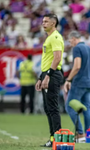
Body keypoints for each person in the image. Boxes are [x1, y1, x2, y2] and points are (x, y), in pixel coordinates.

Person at [35, 14, 64, 147]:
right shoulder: (49, 38)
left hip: (52, 75)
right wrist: (40, 77)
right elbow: (47, 60)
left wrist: (47, 76)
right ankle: (53, 137)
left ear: (53, 23)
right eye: (43, 21)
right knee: (48, 108)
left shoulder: (56, 37)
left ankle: (57, 139)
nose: (43, 23)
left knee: (53, 108)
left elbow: (57, 58)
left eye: (46, 21)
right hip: (46, 74)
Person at [64, 30, 90, 142]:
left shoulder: (77, 48)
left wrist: (68, 79)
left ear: (74, 38)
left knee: (70, 106)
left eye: (69, 40)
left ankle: (80, 133)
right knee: (86, 108)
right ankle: (88, 135)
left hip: (79, 82)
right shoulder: (89, 48)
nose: (69, 43)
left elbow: (77, 66)